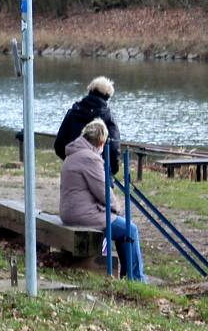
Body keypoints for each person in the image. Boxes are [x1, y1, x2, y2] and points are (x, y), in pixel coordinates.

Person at [59, 119, 146, 282]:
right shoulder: (90, 158)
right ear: (101, 142)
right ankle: (136, 278)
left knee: (122, 229)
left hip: (69, 212)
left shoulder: (72, 155)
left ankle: (130, 276)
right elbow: (103, 191)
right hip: (84, 215)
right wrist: (116, 207)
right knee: (130, 229)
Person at [54, 76, 121, 175]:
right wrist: (111, 170)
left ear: (90, 90)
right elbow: (114, 147)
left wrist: (70, 159)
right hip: (99, 170)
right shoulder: (108, 117)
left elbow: (59, 144)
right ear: (107, 96)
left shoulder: (73, 112)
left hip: (73, 169)